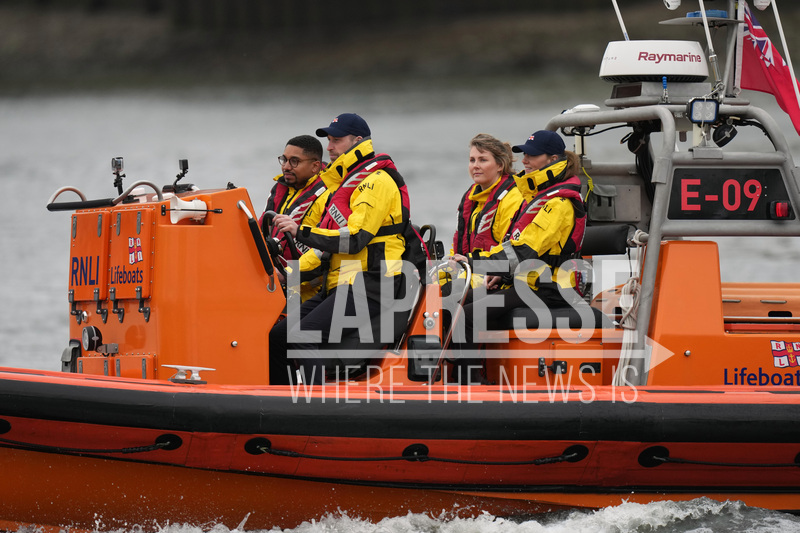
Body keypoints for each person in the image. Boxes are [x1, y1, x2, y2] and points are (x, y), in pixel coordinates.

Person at [268, 113, 410, 385]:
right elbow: (325, 249)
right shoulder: (345, 185)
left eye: (336, 140)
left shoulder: (376, 181)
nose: (330, 147)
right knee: (277, 336)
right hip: (342, 283)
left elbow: (354, 239)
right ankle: (282, 399)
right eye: (329, 140)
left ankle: (315, 403)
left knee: (301, 335)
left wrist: (301, 231)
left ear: (358, 141)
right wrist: (287, 274)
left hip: (372, 283)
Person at [449, 130, 587, 384]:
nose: (524, 160)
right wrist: (499, 274)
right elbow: (517, 249)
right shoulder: (539, 197)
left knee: (466, 316)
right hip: (530, 282)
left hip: (550, 289)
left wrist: (473, 263)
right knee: (451, 302)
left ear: (552, 159)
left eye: (532, 156)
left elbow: (523, 251)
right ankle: (458, 377)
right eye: (524, 155)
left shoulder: (558, 204)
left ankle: (469, 386)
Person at [450, 134, 523, 287]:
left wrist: (471, 264)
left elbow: (511, 251)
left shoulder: (513, 198)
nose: (475, 166)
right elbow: (458, 248)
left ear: (500, 165)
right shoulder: (472, 198)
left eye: (483, 160)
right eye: (472, 160)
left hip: (495, 278)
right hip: (470, 272)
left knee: (441, 295)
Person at [260, 135, 328, 263]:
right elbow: (260, 230)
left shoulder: (329, 197)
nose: (286, 167)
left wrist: (290, 273)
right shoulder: (280, 190)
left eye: (294, 161)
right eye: (284, 160)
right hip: (277, 270)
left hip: (303, 273)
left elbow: (328, 248)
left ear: (315, 166)